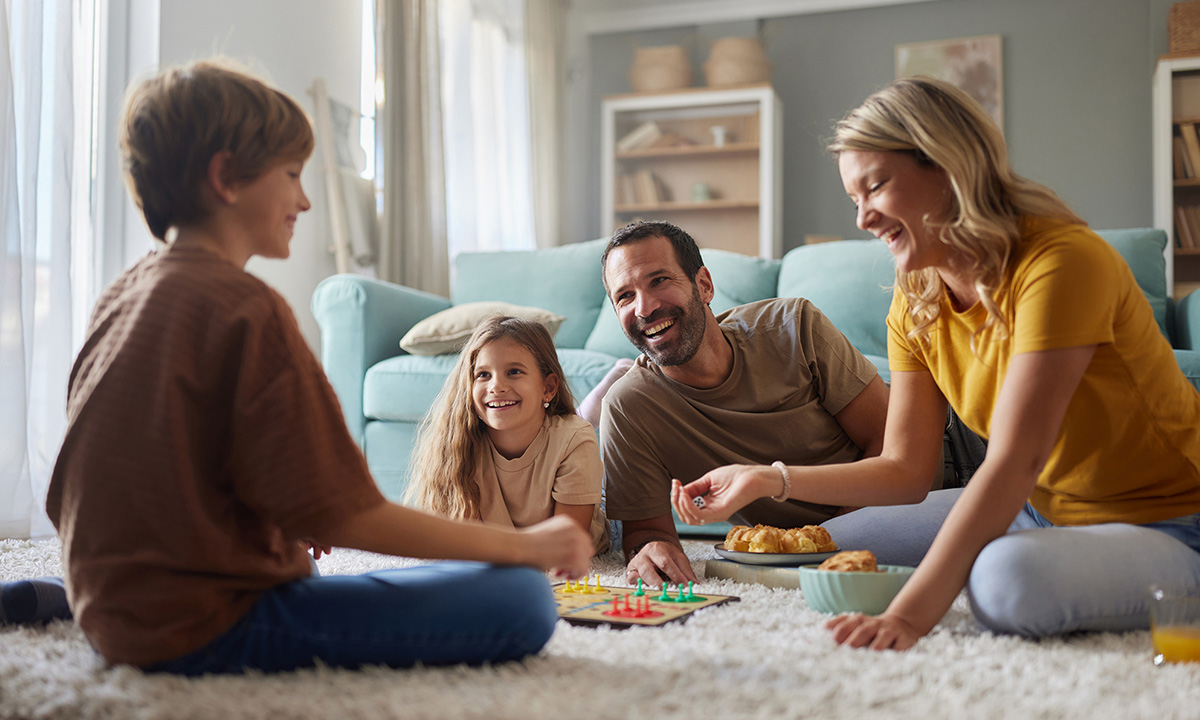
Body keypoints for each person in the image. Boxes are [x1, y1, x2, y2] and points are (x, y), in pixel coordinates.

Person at [18, 59, 592, 675]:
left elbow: (107, 485)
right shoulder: (245, 307)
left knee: (309, 564)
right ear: (225, 178)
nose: (305, 198)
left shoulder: (124, 293)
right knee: (523, 599)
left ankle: (46, 595)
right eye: (291, 174)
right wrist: (524, 547)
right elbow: (346, 516)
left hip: (111, 605)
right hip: (201, 627)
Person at [672, 76, 1200, 648]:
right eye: (854, 199)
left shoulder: (1061, 263)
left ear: (948, 167)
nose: (863, 218)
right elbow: (906, 468)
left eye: (875, 187)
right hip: (1039, 508)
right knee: (829, 546)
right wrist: (768, 478)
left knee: (1004, 582)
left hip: (1170, 521)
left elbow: (1015, 461)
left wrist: (909, 615)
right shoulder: (918, 294)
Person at [599, 220, 892, 587]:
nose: (645, 308)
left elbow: (888, 440)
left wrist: (825, 543)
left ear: (704, 285)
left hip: (950, 459)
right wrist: (651, 549)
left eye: (659, 280)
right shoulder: (628, 408)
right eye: (625, 296)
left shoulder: (794, 328)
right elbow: (645, 531)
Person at [405, 315, 610, 553]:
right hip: (521, 542)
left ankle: (602, 398)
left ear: (548, 387)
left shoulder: (574, 439)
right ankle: (588, 409)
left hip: (597, 521)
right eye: (483, 375)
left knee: (580, 431)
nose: (496, 386)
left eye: (513, 371)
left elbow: (563, 546)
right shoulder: (460, 444)